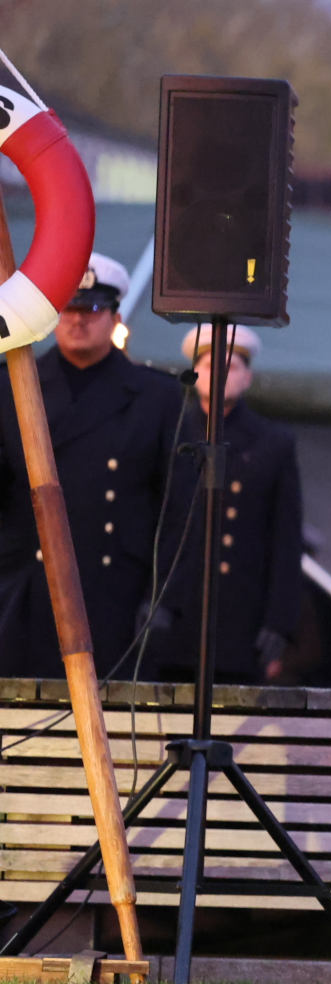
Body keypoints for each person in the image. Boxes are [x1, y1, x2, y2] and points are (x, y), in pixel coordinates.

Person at [0, 253, 186, 679]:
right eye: (67, 308)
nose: (77, 320)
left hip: (113, 594)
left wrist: (165, 600)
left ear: (114, 317)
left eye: (92, 309)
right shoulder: (13, 385)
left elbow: (176, 508)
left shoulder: (155, 397)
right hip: (26, 591)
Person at [152, 324, 304, 684]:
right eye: (207, 364)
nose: (218, 375)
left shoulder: (273, 442)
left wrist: (279, 621)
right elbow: (151, 520)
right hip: (175, 609)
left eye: (231, 367)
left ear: (248, 377)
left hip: (240, 614)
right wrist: (149, 597)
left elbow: (286, 539)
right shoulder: (171, 435)